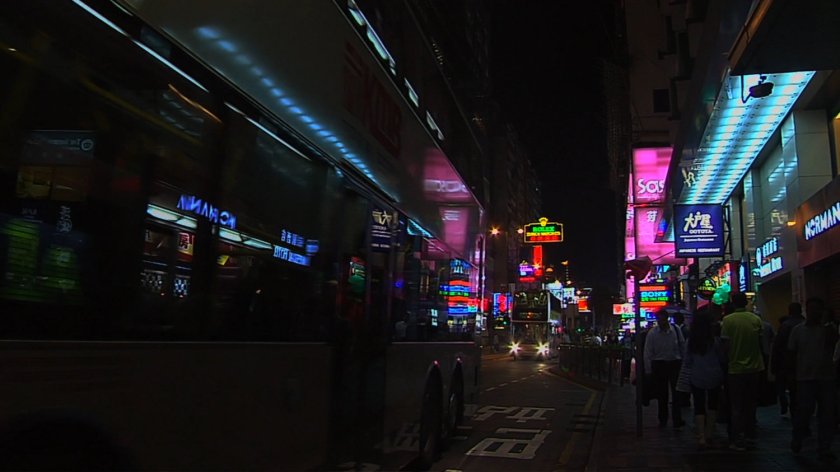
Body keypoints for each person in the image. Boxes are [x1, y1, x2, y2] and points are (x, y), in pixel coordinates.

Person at [788, 297, 838, 462]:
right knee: (804, 412)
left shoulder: (828, 330)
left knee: (827, 414)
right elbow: (792, 354)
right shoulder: (798, 330)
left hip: (826, 377)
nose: (813, 313)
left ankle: (824, 446)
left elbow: (833, 344)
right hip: (805, 377)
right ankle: (798, 438)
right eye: (810, 309)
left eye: (816, 310)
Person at [720, 292, 764, 451]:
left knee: (736, 405)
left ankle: (736, 438)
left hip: (734, 368)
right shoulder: (755, 319)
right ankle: (750, 435)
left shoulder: (727, 320)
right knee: (751, 404)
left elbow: (725, 346)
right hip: (754, 367)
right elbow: (761, 343)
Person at [683, 311, 725, 448]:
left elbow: (687, 361)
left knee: (699, 405)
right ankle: (709, 433)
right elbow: (721, 358)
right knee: (713, 404)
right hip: (714, 375)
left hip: (697, 375)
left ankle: (700, 435)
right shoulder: (714, 340)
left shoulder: (691, 341)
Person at [644, 309, 686, 428]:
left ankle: (677, 419)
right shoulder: (652, 333)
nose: (661, 321)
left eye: (662, 318)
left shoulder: (676, 330)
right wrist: (648, 370)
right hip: (659, 364)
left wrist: (683, 364)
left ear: (667, 318)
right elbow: (648, 352)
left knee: (676, 393)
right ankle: (663, 419)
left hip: (674, 363)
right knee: (662, 394)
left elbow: (682, 346)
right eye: (659, 319)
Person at [772, 302, 804, 418]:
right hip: (802, 363)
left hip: (785, 363)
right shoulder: (804, 324)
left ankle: (787, 408)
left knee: (784, 387)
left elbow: (778, 346)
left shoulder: (785, 326)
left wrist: (774, 365)